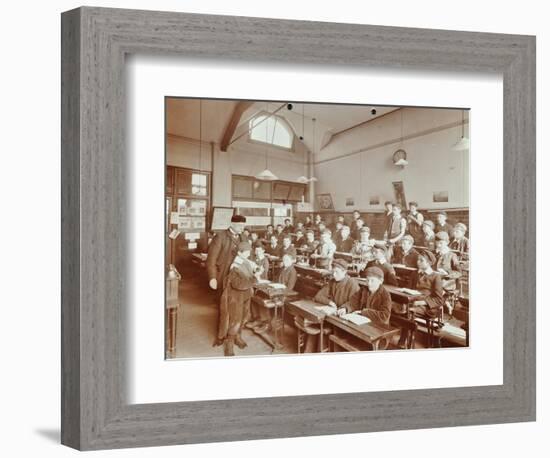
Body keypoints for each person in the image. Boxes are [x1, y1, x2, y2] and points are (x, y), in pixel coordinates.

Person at [297, 259, 360, 352]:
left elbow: (354, 303)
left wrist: (345, 308)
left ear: (344, 272)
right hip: (331, 316)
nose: (334, 275)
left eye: (337, 272)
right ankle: (309, 353)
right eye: (333, 272)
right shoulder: (332, 281)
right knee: (315, 326)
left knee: (318, 329)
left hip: (343, 321)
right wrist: (329, 302)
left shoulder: (352, 284)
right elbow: (318, 296)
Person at [207, 215, 247, 348]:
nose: (243, 228)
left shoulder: (243, 237)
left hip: (240, 279)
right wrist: (212, 277)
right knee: (224, 309)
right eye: (240, 226)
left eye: (243, 225)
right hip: (223, 278)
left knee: (240, 310)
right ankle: (221, 336)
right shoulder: (220, 237)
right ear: (232, 223)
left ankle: (237, 335)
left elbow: (248, 256)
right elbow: (211, 260)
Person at [218, 241, 263, 356]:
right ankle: (229, 344)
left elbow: (252, 268)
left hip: (246, 295)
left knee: (244, 317)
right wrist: (255, 278)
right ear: (240, 252)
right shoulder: (235, 265)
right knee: (235, 321)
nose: (249, 254)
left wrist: (257, 270)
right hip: (236, 297)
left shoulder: (245, 260)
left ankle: (238, 337)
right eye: (247, 252)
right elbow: (239, 284)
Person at [396, 251, 445, 348]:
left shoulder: (435, 276)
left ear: (429, 263)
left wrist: (422, 302)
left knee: (408, 313)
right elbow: (409, 289)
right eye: (418, 260)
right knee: (396, 307)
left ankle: (404, 342)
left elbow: (439, 299)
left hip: (427, 306)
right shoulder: (415, 273)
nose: (418, 262)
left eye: (421, 260)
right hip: (413, 302)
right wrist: (405, 290)